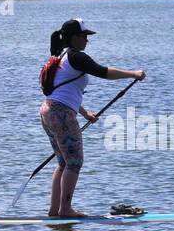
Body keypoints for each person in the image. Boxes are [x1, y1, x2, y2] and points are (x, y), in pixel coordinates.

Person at [40, 19, 144, 217]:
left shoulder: (59, 56)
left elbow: (62, 90)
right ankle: (65, 209)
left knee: (63, 163)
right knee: (74, 163)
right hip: (61, 114)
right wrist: (133, 74)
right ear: (74, 37)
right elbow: (104, 72)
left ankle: (55, 210)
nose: (87, 40)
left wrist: (85, 113)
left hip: (47, 110)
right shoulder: (76, 56)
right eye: (84, 36)